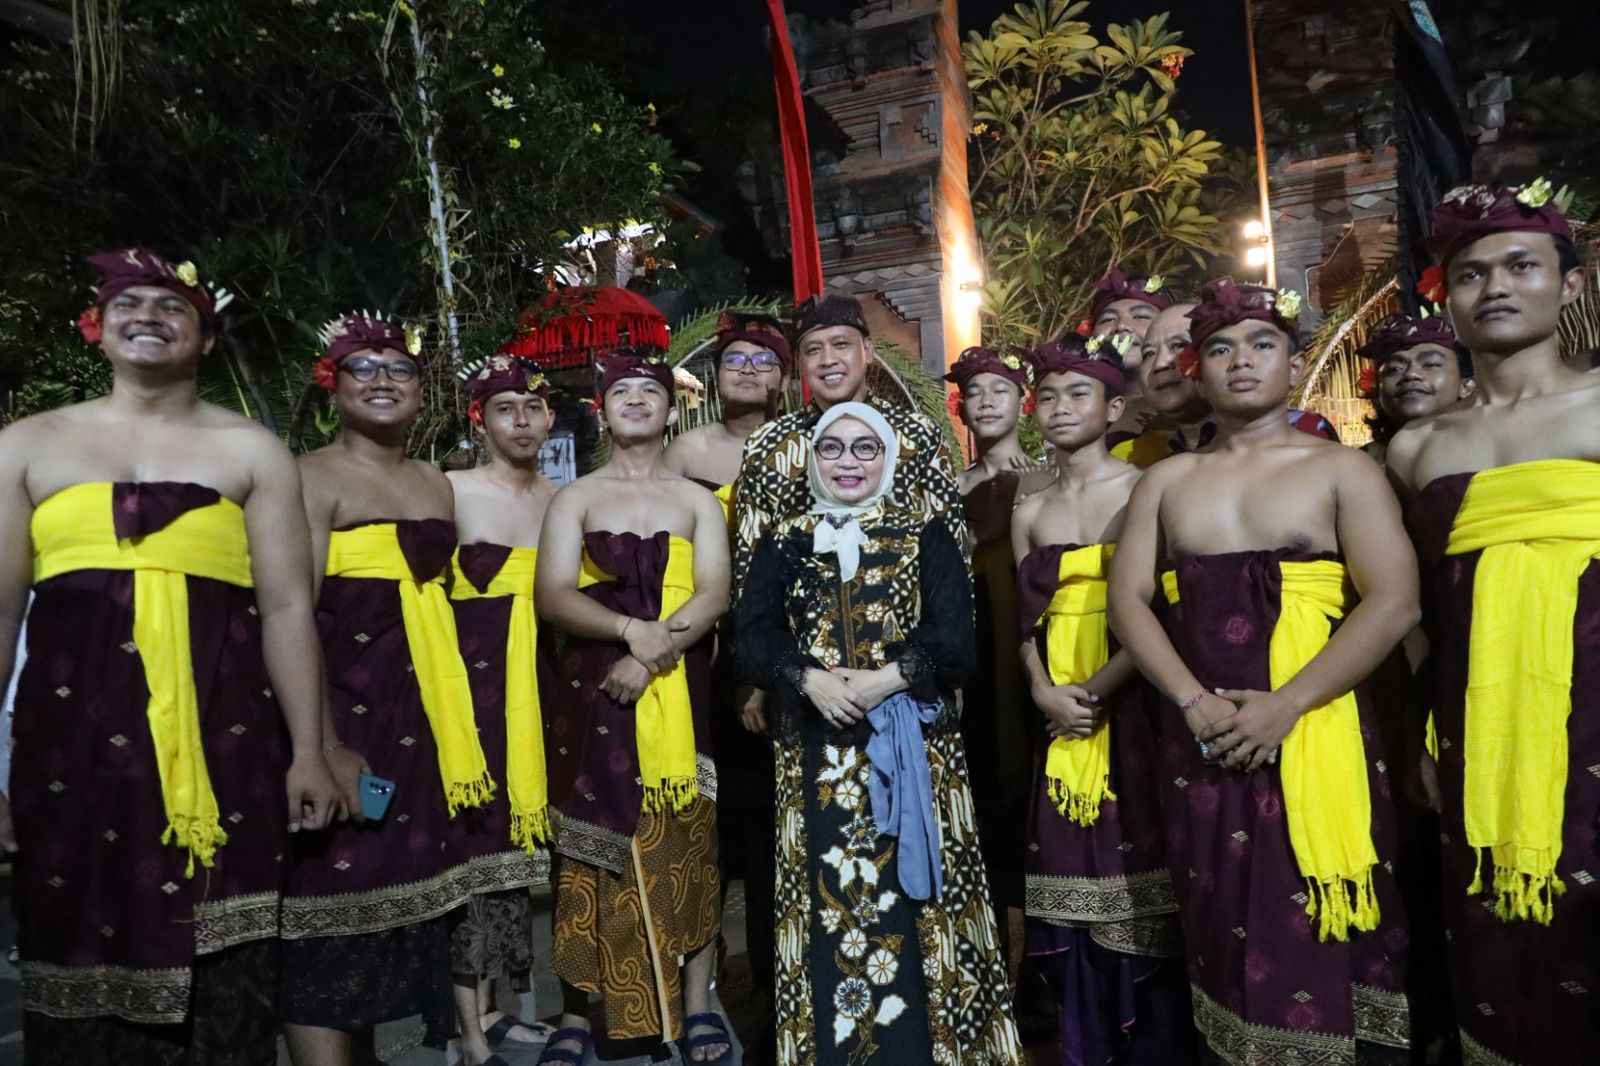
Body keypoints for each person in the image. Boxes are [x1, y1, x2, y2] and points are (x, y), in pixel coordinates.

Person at [0, 248, 340, 1063]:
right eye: (128, 303)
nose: (147, 316)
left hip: (228, 736)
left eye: (171, 306)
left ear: (206, 337)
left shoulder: (253, 450)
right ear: (96, 326)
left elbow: (287, 608)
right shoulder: (25, 446)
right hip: (69, 741)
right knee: (75, 927)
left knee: (226, 946)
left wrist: (309, 751)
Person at [1107, 278, 1418, 1064]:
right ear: (1197, 368)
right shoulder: (1166, 482)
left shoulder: (1342, 470)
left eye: (1261, 344)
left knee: (1328, 911)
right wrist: (1191, 702)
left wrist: (1288, 705)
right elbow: (1129, 604)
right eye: (1219, 348)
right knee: (1220, 915)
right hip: (1202, 742)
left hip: (1318, 726)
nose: (1240, 360)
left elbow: (1394, 602)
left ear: (1294, 362)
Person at [1385, 180, 1600, 1066]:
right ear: (1447, 297)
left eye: (1521, 266)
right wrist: (1422, 731)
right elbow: (1418, 613)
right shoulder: (1417, 448)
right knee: (1494, 937)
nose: (1496, 287)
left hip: (1594, 709)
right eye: (1471, 274)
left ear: (1571, 284)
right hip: (1477, 726)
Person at [736, 401, 1022, 1065]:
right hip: (814, 753)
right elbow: (754, 635)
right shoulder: (785, 536)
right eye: (832, 448)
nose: (848, 461)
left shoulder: (923, 531)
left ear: (888, 458)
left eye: (865, 448)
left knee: (912, 898)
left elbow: (957, 640)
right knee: (824, 896)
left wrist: (884, 681)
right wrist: (807, 679)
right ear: (813, 460)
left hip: (913, 744)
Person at [282, 311, 492, 1066]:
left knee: (390, 908)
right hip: (344, 712)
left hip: (420, 717)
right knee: (327, 908)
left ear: (420, 389)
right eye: (362, 368)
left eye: (398, 368)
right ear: (331, 385)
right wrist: (322, 744)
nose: (382, 381)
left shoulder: (433, 481)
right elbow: (291, 611)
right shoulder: (307, 476)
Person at [536, 351, 732, 1065]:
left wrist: (649, 654)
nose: (637, 400)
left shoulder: (696, 501)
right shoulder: (576, 498)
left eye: (651, 391)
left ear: (672, 409)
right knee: (587, 849)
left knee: (690, 842)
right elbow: (553, 594)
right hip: (594, 692)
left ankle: (698, 1003)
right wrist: (627, 630)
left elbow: (714, 593)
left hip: (678, 688)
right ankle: (577, 1014)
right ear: (602, 409)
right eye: (621, 391)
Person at [1009, 339, 1196, 1064]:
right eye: (1048, 396)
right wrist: (1041, 689)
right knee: (1068, 873)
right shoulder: (1031, 510)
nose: (1060, 408)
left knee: (1139, 864)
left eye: (1078, 394)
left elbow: (1162, 610)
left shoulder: (1145, 489)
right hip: (1061, 714)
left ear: (1115, 408)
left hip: (1134, 704)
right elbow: (1027, 625)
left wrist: (1095, 690)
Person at [664, 311, 790, 1063]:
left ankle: (782, 992)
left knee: (778, 833)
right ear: (715, 375)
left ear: (782, 377)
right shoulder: (685, 452)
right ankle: (696, 993)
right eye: (735, 359)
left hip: (783, 655)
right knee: (710, 828)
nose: (747, 369)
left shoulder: (804, 443)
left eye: (762, 360)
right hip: (702, 653)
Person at [445, 354, 560, 1065]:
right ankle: (466, 1029)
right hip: (466, 686)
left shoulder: (562, 499)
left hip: (539, 683)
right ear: (479, 420)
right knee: (470, 848)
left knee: (518, 852)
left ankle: (499, 1009)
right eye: (504, 408)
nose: (520, 420)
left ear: (550, 418)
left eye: (532, 407)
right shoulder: (451, 490)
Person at [734, 293, 964, 593]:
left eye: (841, 344)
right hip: (801, 618)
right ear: (800, 362)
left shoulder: (918, 434)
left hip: (903, 616)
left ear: (868, 350)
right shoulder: (767, 444)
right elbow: (750, 565)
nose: (828, 360)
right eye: (813, 350)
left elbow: (951, 554)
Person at [942, 345, 1052, 960]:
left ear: (1023, 402)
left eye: (999, 390)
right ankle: (984, 953)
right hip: (971, 637)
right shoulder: (949, 487)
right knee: (980, 777)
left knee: (1031, 774)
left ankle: (1041, 952)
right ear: (961, 408)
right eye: (975, 393)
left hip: (1028, 630)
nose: (986, 402)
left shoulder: (1047, 475)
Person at [1085, 266, 1174, 466]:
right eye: (1108, 319)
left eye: (1140, 316)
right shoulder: (1075, 410)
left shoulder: (1197, 402)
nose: (1121, 326)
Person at [1357, 314, 1474, 465]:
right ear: (1377, 391)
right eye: (1395, 369)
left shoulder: (1489, 449)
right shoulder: (1358, 464)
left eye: (1430, 364)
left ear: (1466, 385)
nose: (1411, 374)